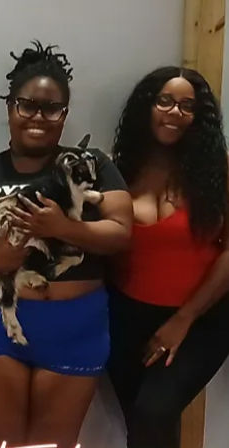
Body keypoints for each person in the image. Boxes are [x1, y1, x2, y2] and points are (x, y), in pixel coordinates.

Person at [0, 42, 132, 448]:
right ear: (10, 107)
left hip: (76, 326)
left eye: (52, 108)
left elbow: (119, 232)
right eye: (27, 105)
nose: (38, 117)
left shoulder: (90, 164)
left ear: (65, 114)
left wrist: (61, 226)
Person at [108, 66, 229, 448]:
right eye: (165, 101)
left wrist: (184, 319)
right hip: (126, 317)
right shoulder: (119, 169)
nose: (175, 112)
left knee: (154, 411)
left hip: (201, 319)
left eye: (187, 106)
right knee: (142, 426)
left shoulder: (216, 171)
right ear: (148, 106)